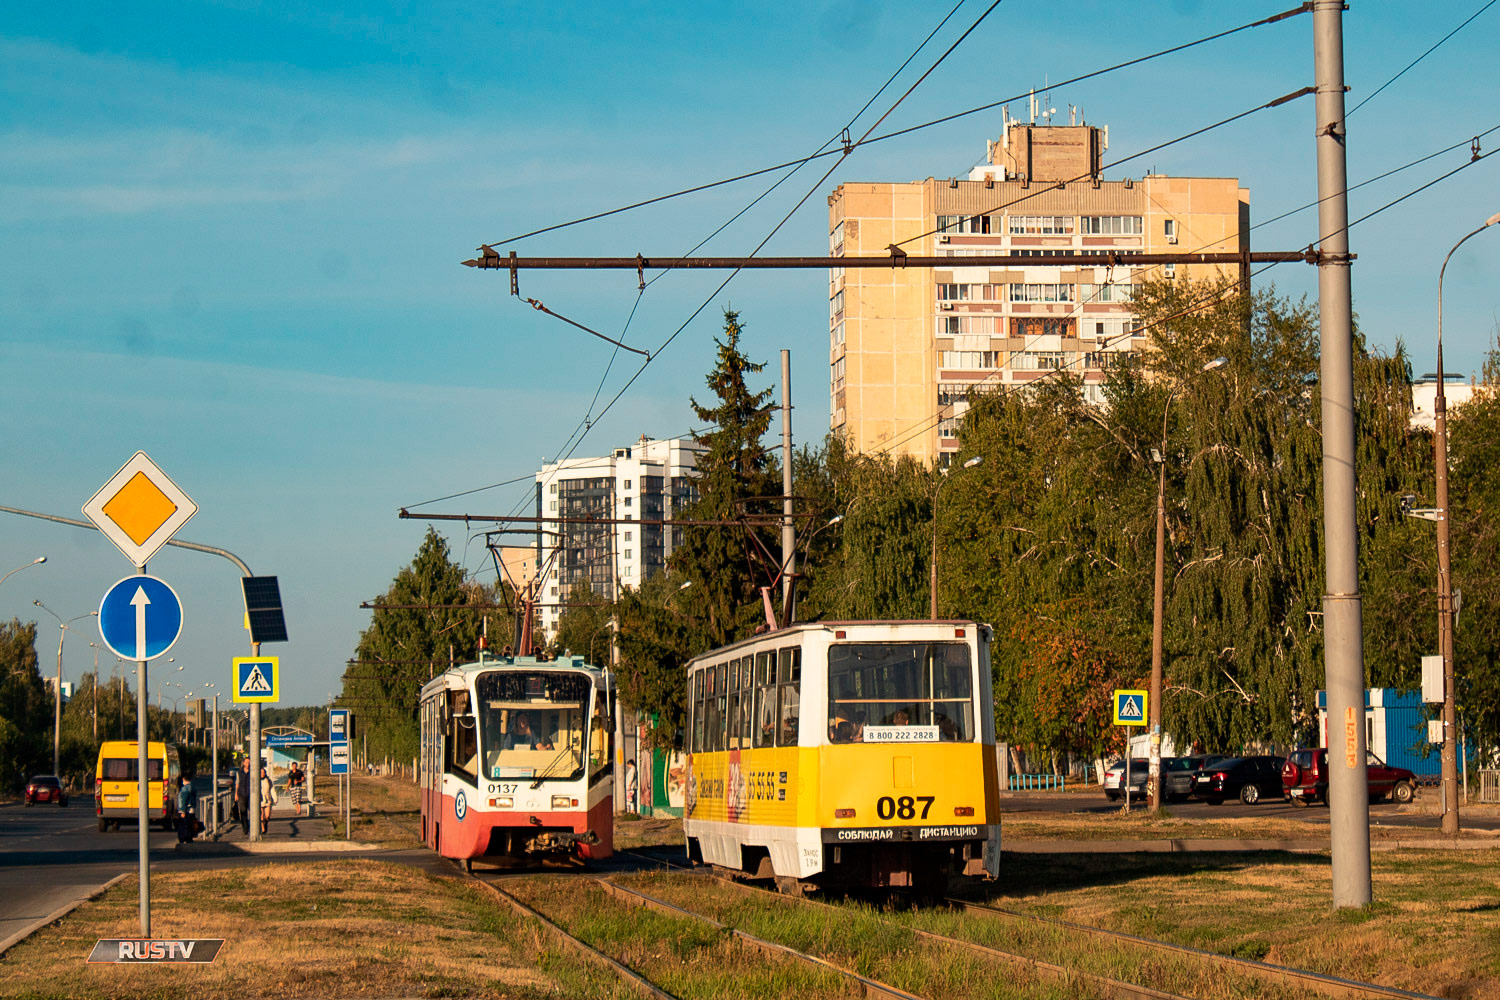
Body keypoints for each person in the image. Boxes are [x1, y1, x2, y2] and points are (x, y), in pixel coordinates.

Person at [174, 776, 199, 843]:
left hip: (187, 810)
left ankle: (184, 839)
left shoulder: (185, 789)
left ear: (183, 779)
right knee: (190, 825)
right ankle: (189, 839)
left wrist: (182, 811)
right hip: (192, 809)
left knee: (184, 825)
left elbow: (183, 800)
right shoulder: (193, 787)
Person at [236, 758, 251, 834]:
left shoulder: (252, 772)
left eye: (249, 762)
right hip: (241, 794)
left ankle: (251, 826)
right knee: (243, 811)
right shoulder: (239, 772)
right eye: (246, 762)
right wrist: (236, 794)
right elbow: (237, 783)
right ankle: (245, 827)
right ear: (244, 763)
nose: (248, 764)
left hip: (251, 794)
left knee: (252, 811)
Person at [259, 765, 276, 830]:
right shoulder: (257, 781)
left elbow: (272, 789)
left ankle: (265, 824)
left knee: (267, 816)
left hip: (267, 800)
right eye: (261, 772)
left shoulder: (268, 780)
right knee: (261, 816)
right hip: (260, 800)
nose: (262, 774)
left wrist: (275, 798)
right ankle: (263, 828)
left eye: (263, 772)